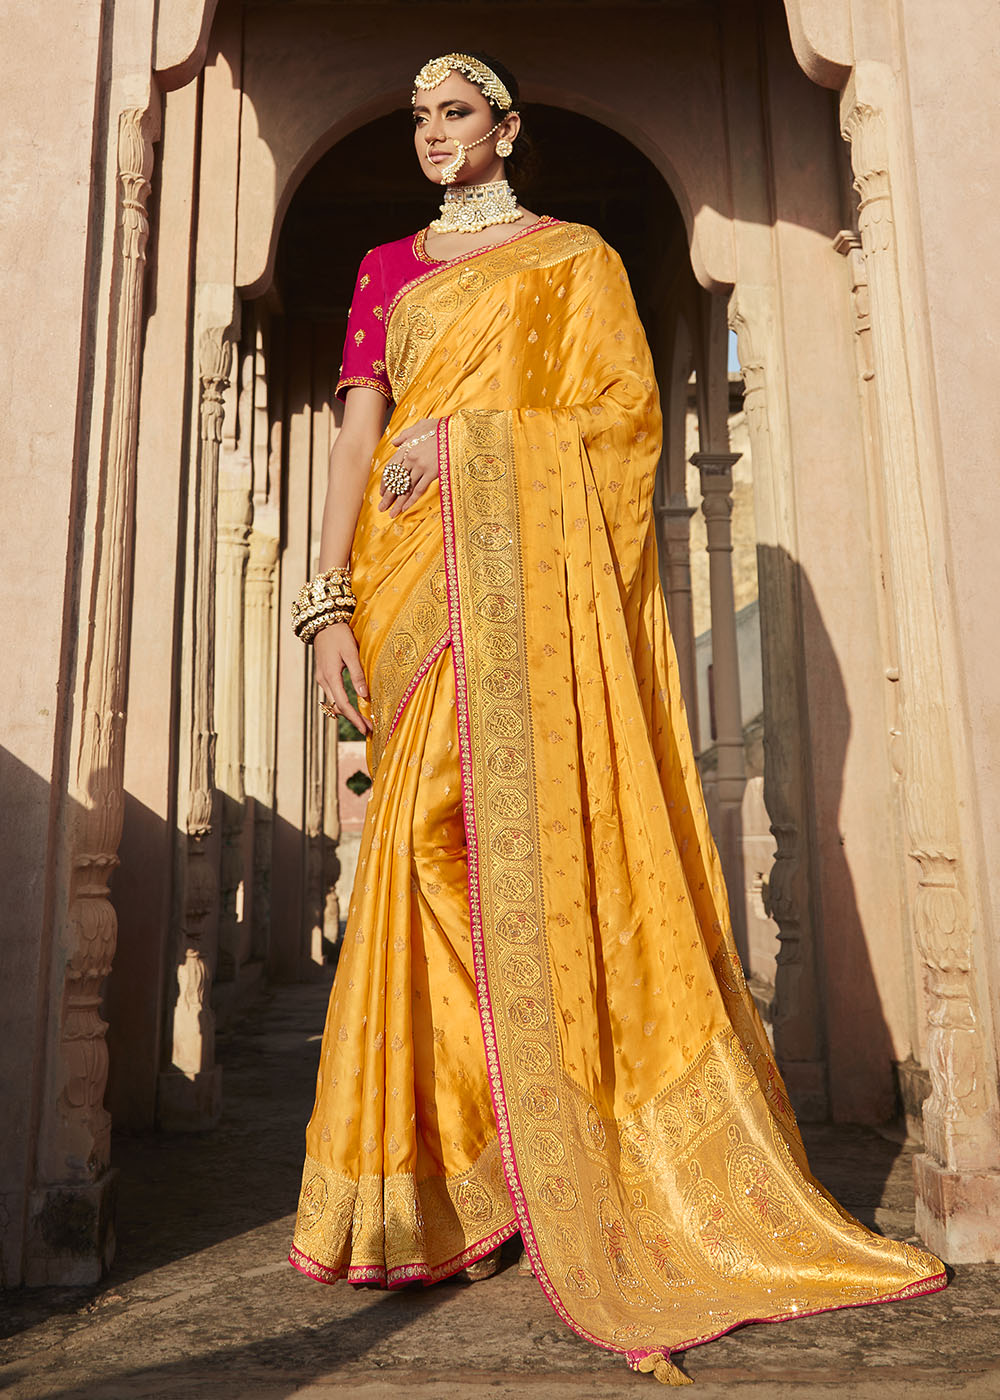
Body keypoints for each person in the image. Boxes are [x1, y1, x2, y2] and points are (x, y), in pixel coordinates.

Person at [288, 51, 945, 1386]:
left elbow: (624, 419)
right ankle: (457, 1176)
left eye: (456, 114)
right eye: (418, 116)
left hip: (526, 591)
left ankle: (569, 1153)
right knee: (415, 853)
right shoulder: (385, 270)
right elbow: (359, 437)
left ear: (508, 130)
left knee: (537, 860)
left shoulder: (574, 259)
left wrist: (469, 444)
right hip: (415, 589)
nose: (431, 135)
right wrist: (327, 606)